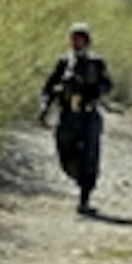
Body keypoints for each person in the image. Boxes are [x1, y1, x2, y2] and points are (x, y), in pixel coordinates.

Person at [38, 22, 113, 216]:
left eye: (80, 38)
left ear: (87, 41)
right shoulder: (63, 62)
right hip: (68, 115)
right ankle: (79, 177)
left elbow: (107, 84)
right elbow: (48, 87)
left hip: (88, 115)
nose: (76, 42)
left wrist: (94, 91)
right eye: (73, 38)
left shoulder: (96, 62)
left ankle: (84, 197)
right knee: (65, 151)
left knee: (89, 156)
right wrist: (45, 106)